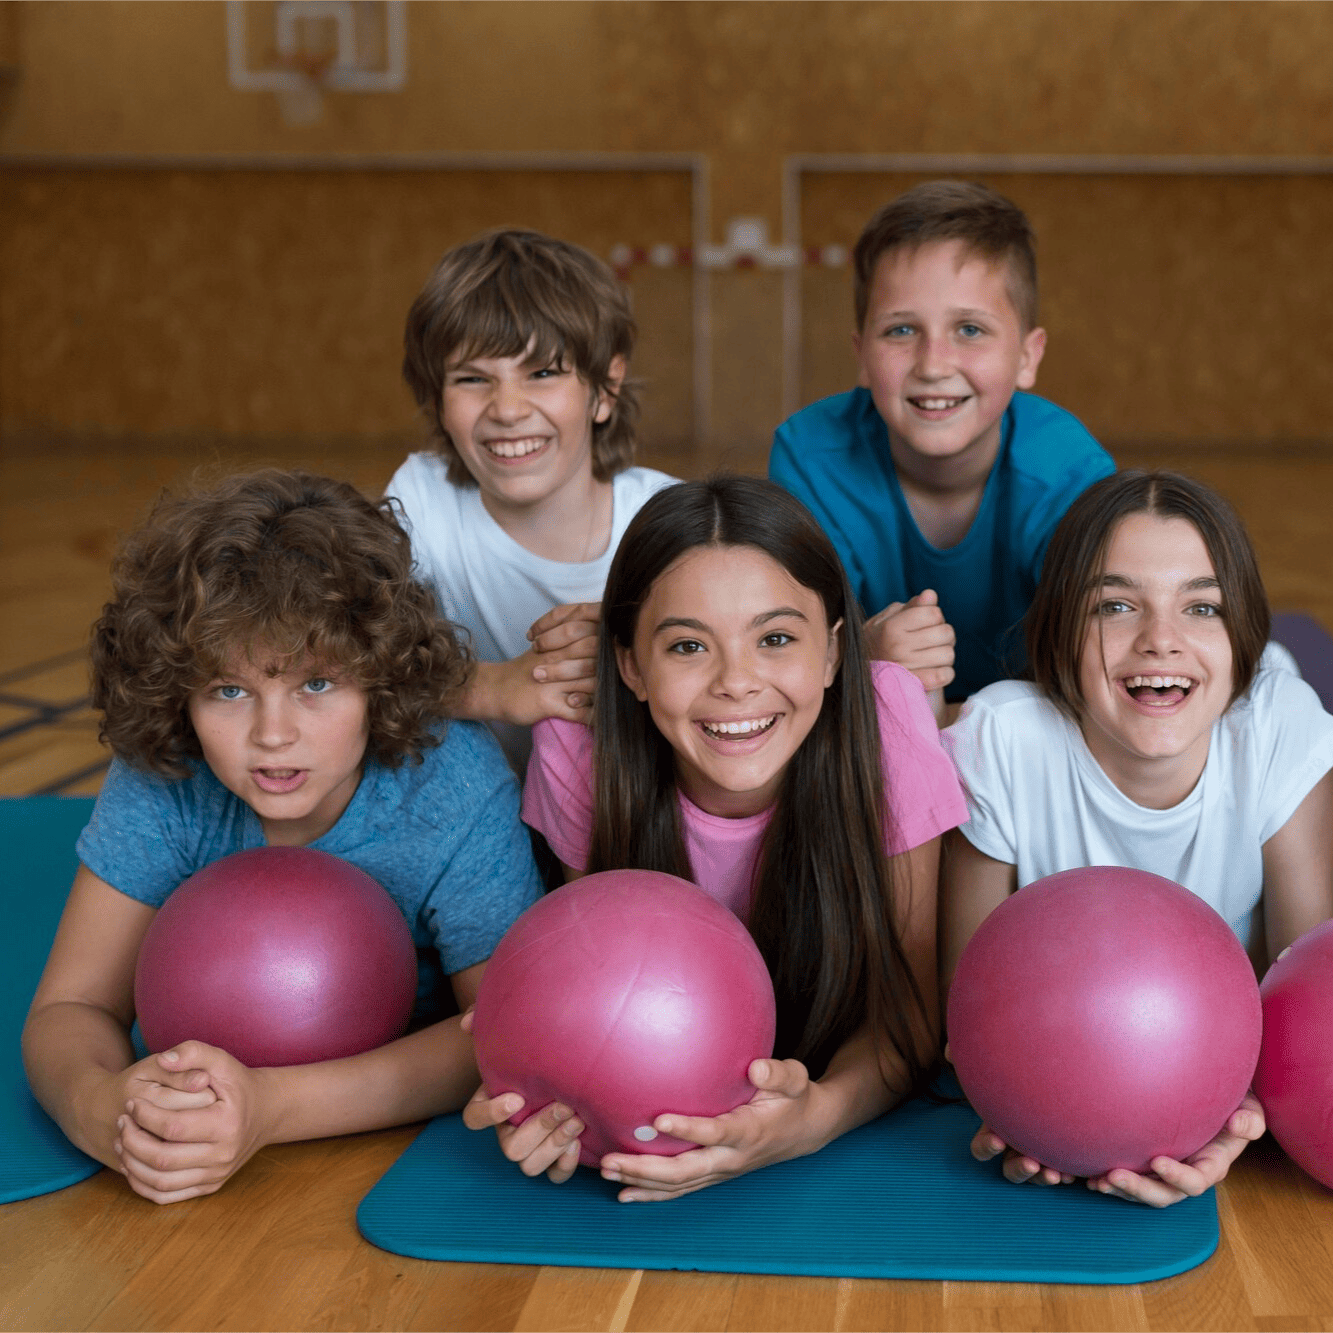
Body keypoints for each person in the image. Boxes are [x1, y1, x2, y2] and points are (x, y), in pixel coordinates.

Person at [22, 470, 543, 1204]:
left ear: (379, 682)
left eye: (316, 685)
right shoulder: (166, 774)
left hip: (367, 1137)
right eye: (229, 691)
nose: (272, 735)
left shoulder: (450, 783)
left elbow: (495, 1032)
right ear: (180, 697)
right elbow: (70, 1007)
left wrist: (272, 1108)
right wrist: (103, 1109)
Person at [463, 475, 968, 1201]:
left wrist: (813, 1119)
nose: (736, 681)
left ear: (832, 654)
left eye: (775, 639)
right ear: (631, 666)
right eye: (687, 646)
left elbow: (908, 1012)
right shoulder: (579, 745)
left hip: (847, 1108)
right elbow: (593, 989)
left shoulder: (886, 719)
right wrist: (541, 1088)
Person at [941, 469, 1333, 1206]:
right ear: (1062, 629)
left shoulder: (1277, 728)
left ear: (1239, 632)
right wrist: (1036, 1110)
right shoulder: (1002, 740)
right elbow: (966, 1013)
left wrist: (1231, 1125)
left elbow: (1307, 1010)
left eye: (1201, 607)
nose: (1159, 639)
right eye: (1116, 606)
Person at [769, 180, 1114, 716]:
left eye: (970, 330)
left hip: (1033, 726)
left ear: (1027, 357)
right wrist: (861, 656)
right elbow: (787, 648)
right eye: (901, 330)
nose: (933, 364)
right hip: (872, 723)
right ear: (862, 357)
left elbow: (1102, 659)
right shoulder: (810, 457)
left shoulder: (1069, 472)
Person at [392, 227, 677, 770]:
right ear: (436, 399)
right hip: (475, 801)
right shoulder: (422, 501)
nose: (507, 409)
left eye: (543, 373)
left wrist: (639, 647)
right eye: (472, 379)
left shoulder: (665, 519)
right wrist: (490, 686)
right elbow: (350, 658)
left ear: (606, 389)